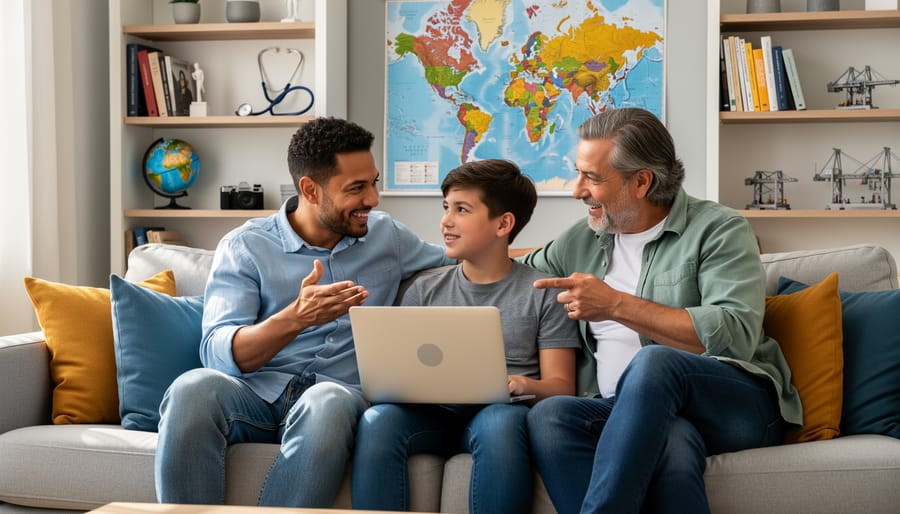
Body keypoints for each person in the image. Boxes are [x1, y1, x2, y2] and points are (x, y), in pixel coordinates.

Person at [154, 117, 453, 507]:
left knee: (326, 400)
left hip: (338, 395)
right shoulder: (246, 246)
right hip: (256, 398)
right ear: (310, 189)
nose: (373, 200)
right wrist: (296, 317)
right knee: (192, 388)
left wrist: (555, 260)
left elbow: (473, 260)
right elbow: (218, 353)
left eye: (374, 182)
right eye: (356, 188)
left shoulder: (388, 237)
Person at [520, 107, 802, 514]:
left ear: (641, 182)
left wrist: (615, 304)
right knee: (554, 416)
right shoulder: (582, 237)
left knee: (655, 363)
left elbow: (736, 333)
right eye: (578, 173)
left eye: (592, 178)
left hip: (736, 406)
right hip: (629, 413)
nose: (576, 190)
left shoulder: (719, 229)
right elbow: (512, 278)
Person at [351, 159, 580, 514]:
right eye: (446, 208)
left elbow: (562, 385)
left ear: (503, 223)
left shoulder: (542, 293)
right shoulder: (424, 290)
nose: (446, 220)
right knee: (378, 421)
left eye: (462, 209)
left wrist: (521, 383)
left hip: (499, 412)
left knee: (501, 424)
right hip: (431, 414)